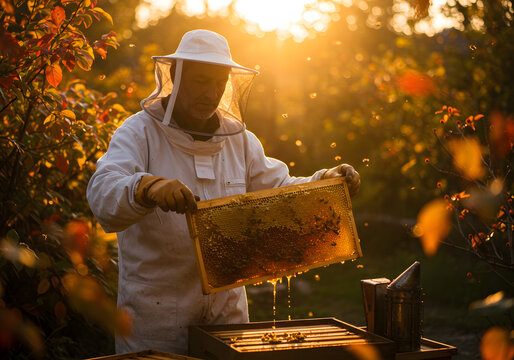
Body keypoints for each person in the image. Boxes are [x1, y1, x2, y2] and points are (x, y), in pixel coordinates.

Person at [86, 29, 360, 355]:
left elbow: (281, 192)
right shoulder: (139, 132)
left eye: (219, 82)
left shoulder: (240, 141)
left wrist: (325, 181)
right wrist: (148, 186)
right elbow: (102, 193)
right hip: (156, 317)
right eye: (201, 81)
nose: (212, 92)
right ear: (176, 75)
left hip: (228, 313)